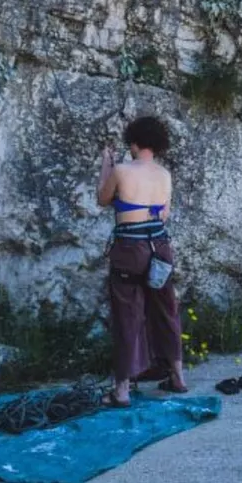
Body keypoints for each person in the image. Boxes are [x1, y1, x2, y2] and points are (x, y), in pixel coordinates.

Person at [95, 115, 184, 406]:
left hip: (130, 250)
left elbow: (102, 198)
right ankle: (177, 376)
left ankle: (121, 390)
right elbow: (164, 214)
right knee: (165, 310)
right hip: (160, 247)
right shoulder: (165, 175)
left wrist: (106, 162)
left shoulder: (121, 170)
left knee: (127, 315)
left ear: (134, 142)